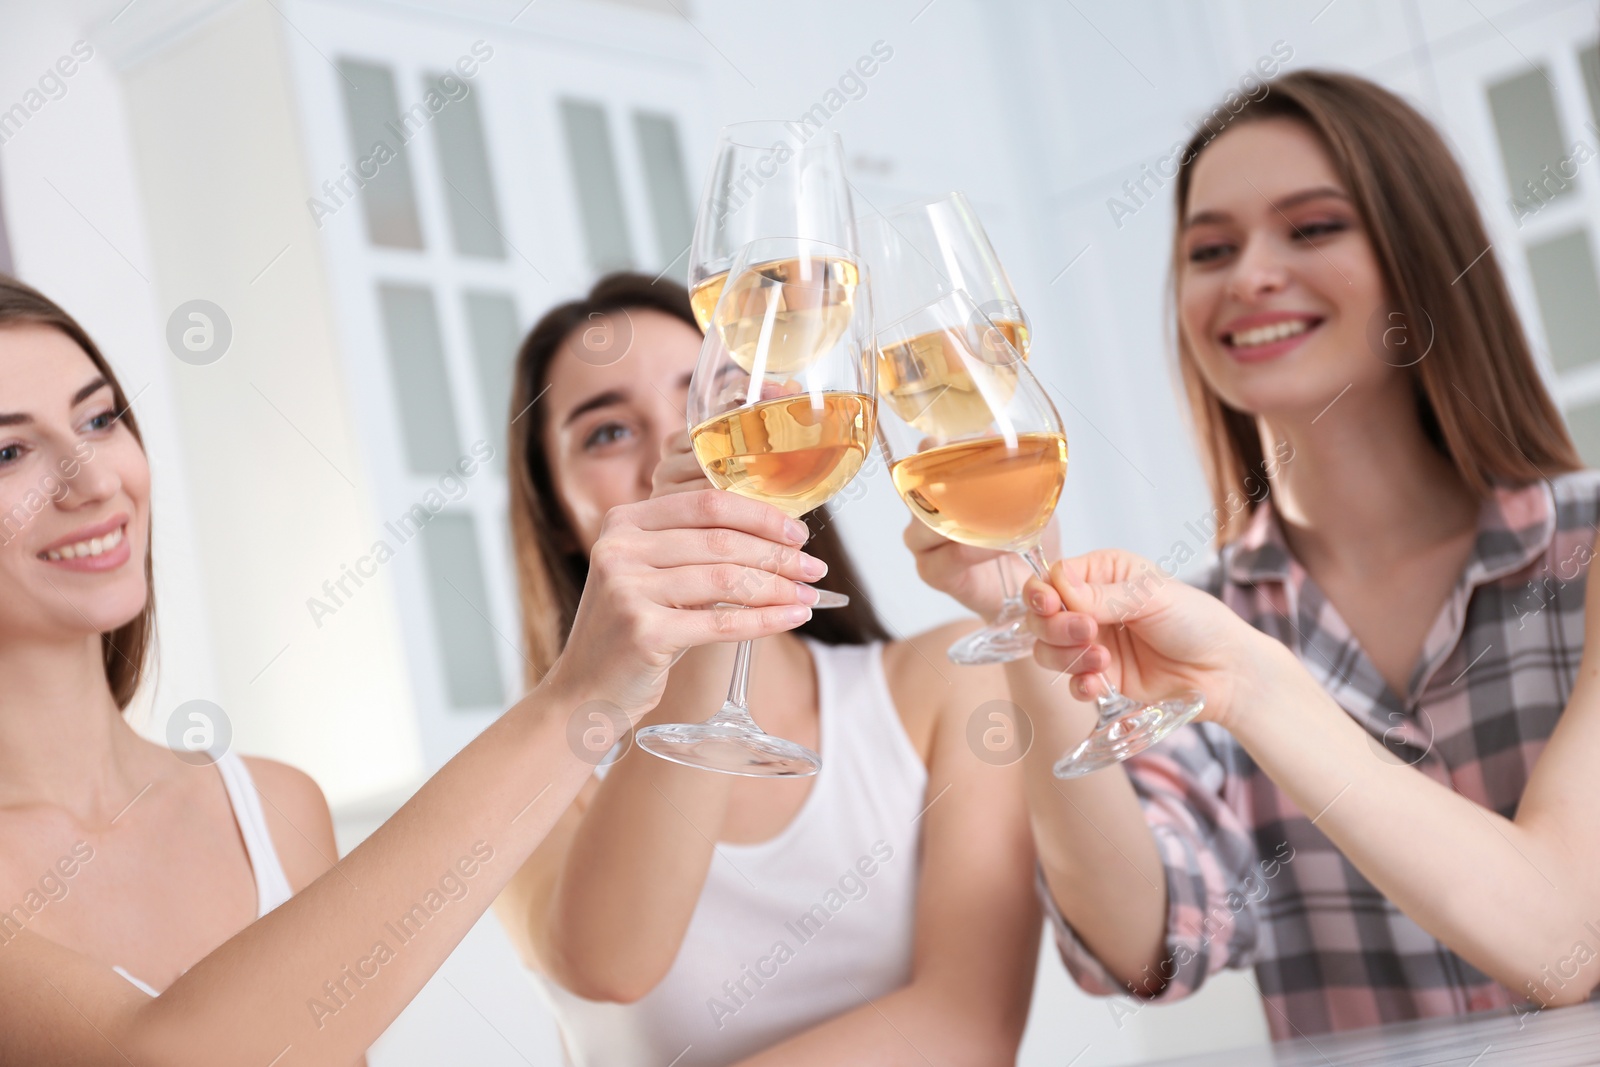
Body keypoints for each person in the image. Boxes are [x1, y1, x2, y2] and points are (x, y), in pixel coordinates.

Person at [908, 69, 1598, 1038]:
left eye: (1312, 227)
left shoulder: (1584, 549)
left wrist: (1255, 681)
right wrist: (1023, 618)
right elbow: (1144, 936)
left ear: (1423, 257)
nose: (1247, 275)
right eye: (1209, 249)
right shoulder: (1195, 622)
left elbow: (1567, 936)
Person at [0, 273, 818, 1064]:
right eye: (9, 452)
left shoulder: (270, 806)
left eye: (101, 420)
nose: (94, 479)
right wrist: (580, 692)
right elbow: (169, 1056)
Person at [491, 273, 1040, 1066]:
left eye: (710, 398)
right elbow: (613, 965)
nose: (677, 443)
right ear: (562, 517)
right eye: (607, 432)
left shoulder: (947, 685)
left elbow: (968, 1028)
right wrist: (713, 601)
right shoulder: (527, 773)